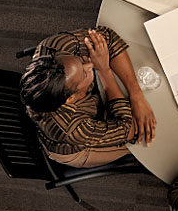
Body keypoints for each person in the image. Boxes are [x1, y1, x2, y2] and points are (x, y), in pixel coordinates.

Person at [20, 27, 156, 167]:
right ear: (70, 99)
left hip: (91, 105)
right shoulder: (73, 130)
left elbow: (108, 38)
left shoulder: (54, 47)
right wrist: (104, 70)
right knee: (147, 144)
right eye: (85, 73)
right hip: (78, 146)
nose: (91, 63)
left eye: (80, 59)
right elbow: (128, 130)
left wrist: (136, 94)